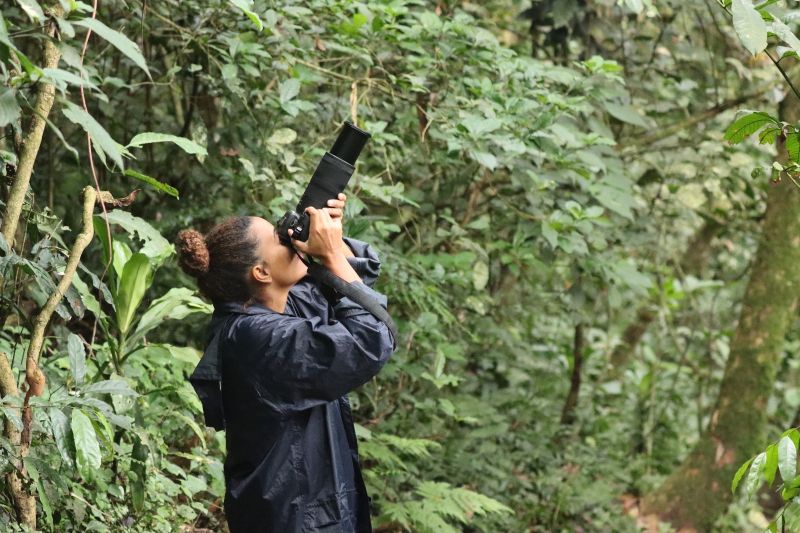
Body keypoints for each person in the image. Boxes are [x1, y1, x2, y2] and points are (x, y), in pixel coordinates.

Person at [174, 194, 396, 532]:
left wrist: (329, 242)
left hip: (306, 512)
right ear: (262, 272)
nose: (288, 238)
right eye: (280, 239)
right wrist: (332, 255)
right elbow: (369, 338)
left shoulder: (276, 309)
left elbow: (347, 287)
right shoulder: (255, 337)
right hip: (293, 520)